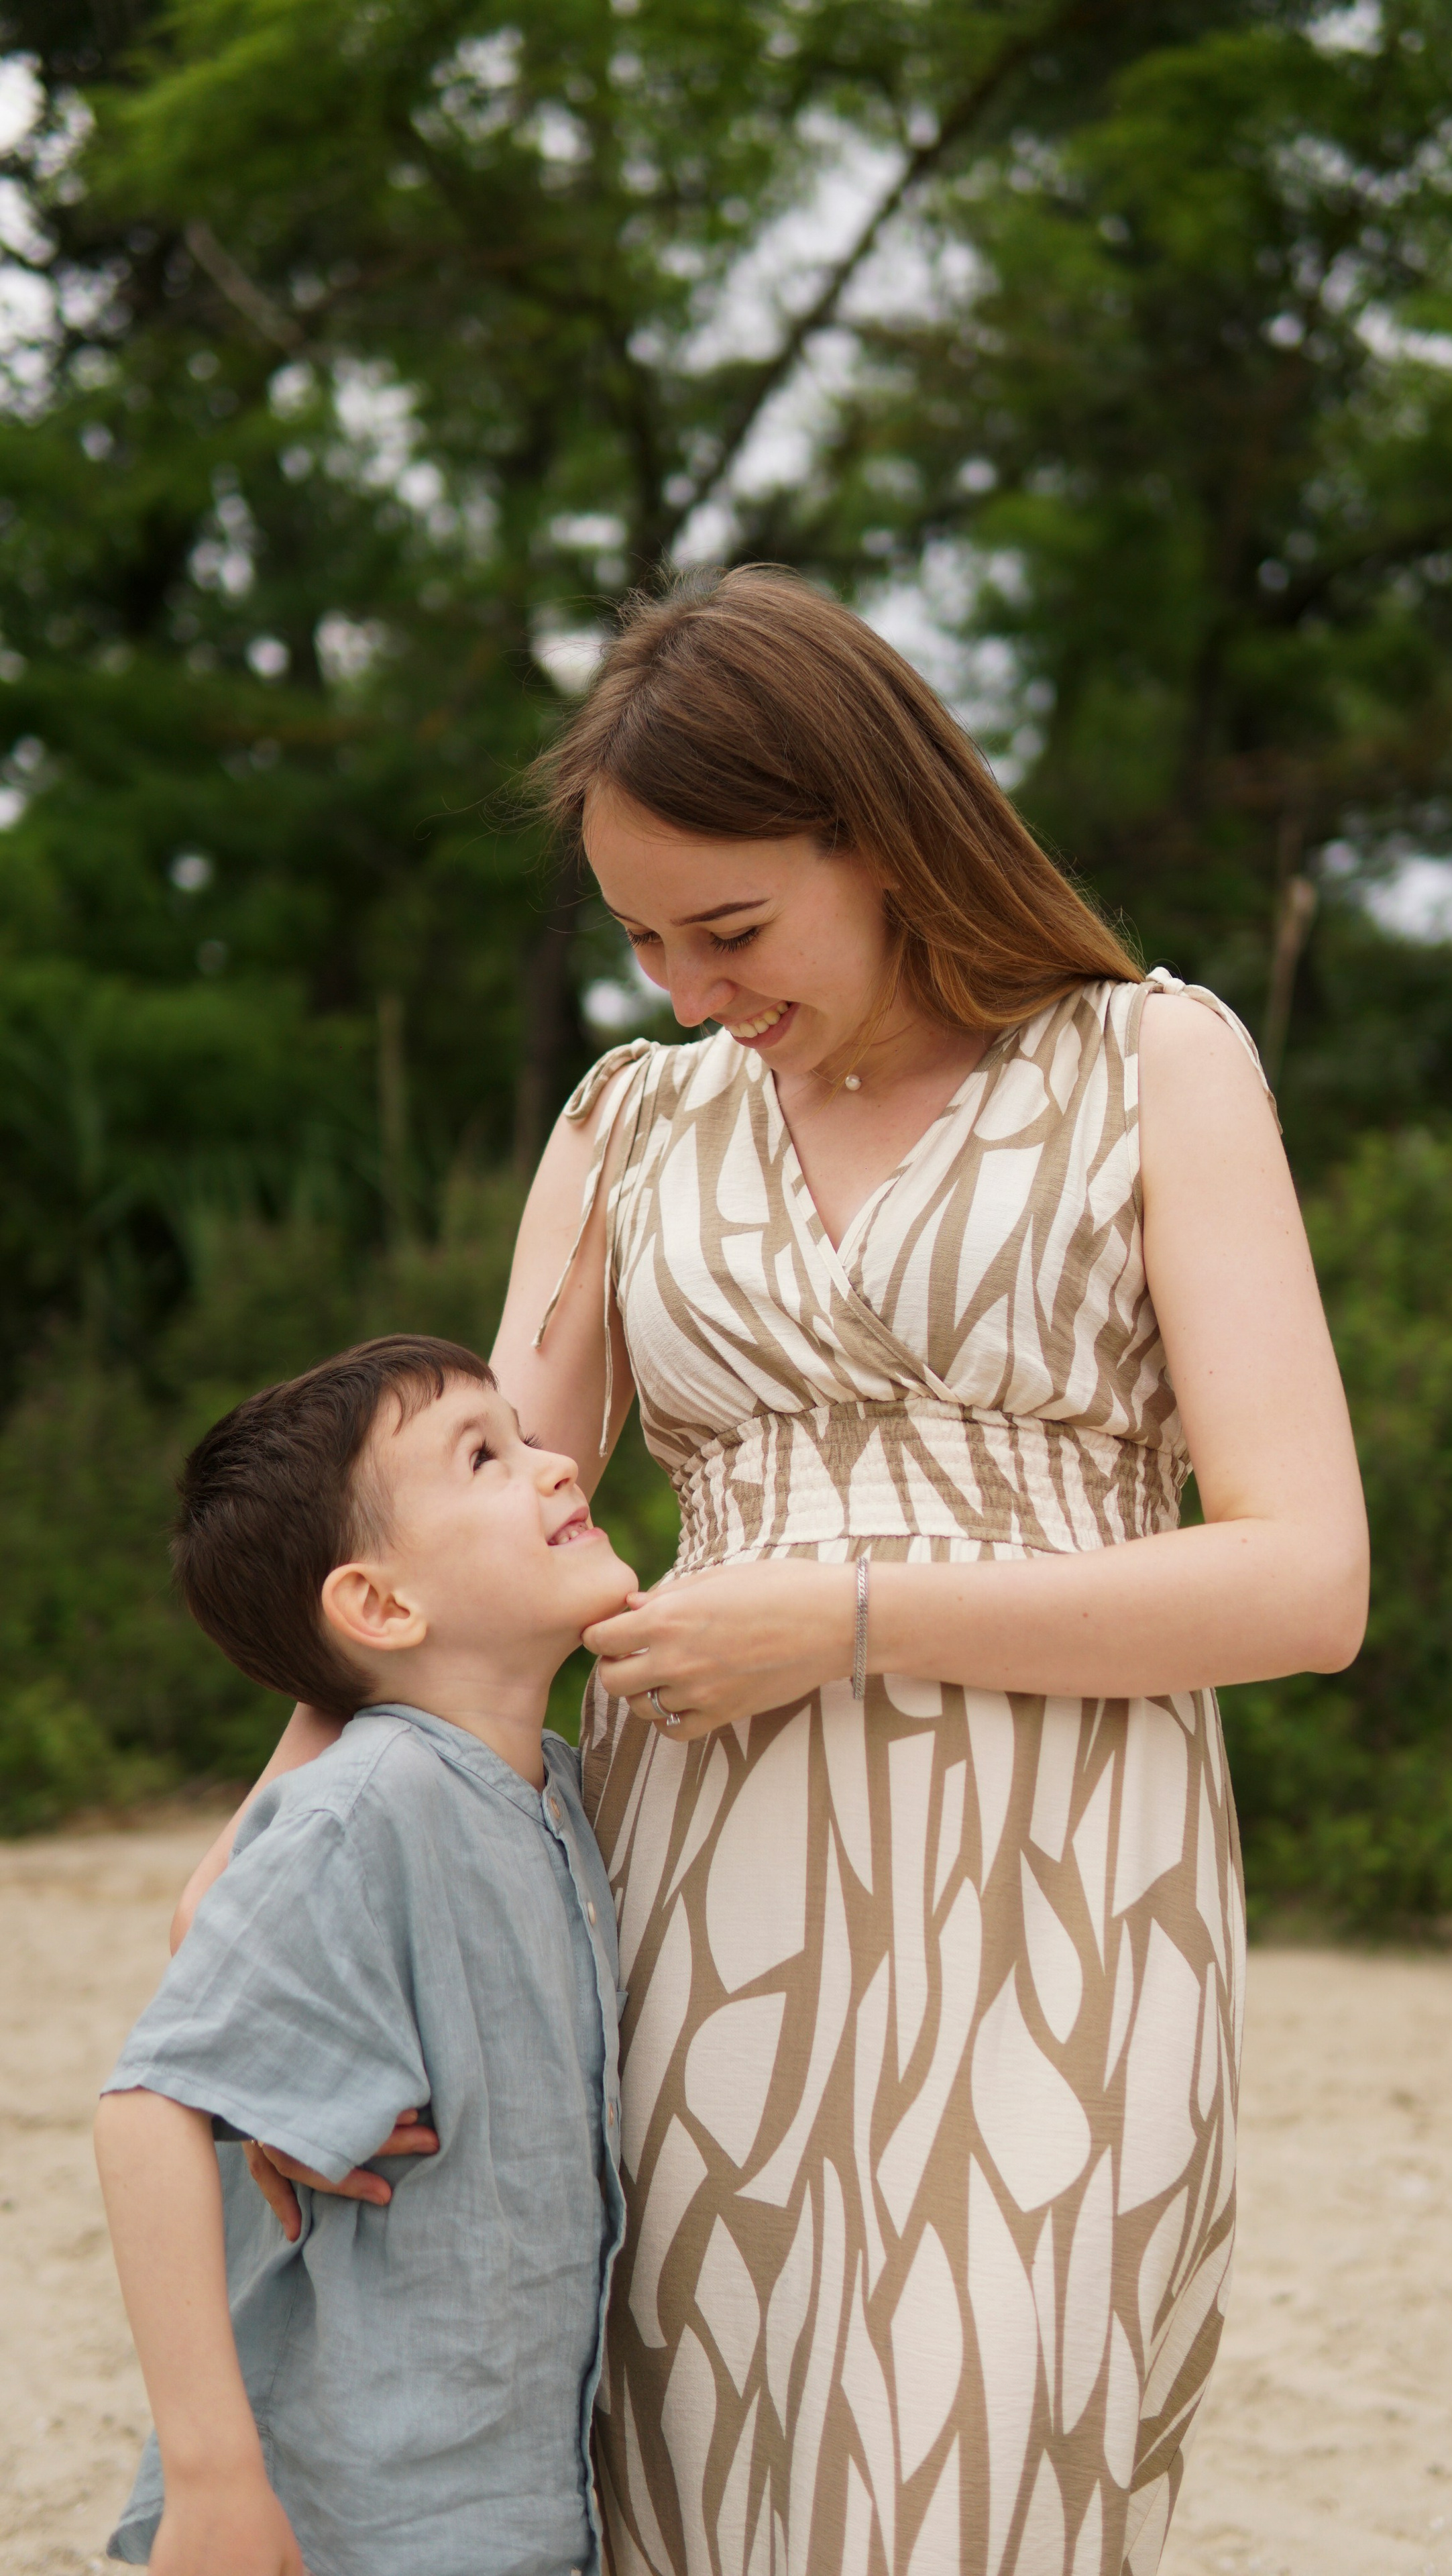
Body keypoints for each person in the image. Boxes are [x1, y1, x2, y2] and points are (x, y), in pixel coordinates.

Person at [170, 566, 1368, 2576]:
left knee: (985, 2463)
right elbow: (458, 1535)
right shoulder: (631, 1122)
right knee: (701, 2481)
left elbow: (1306, 1582)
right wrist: (267, 1855)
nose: (683, 991)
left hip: (1066, 1888)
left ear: (880, 836)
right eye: (640, 938)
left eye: (727, 929)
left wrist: (853, 1617)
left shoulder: (1153, 1065)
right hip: (697, 1902)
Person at [95, 1334, 633, 2576]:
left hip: (512, 2500)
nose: (556, 1464)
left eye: (526, 1437)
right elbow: (147, 2110)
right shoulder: (366, 1806)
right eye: (486, 1457)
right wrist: (215, 2480)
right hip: (364, 2513)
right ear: (382, 1607)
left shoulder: (555, 1786)